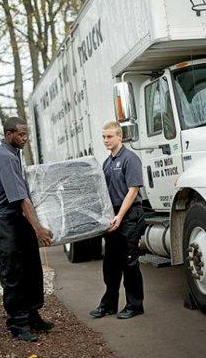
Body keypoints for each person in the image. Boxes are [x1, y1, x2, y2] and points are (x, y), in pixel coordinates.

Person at [0, 117, 53, 342]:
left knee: (32, 269)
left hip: (16, 220)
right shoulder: (5, 158)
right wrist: (39, 229)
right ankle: (17, 323)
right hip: (3, 223)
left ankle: (32, 316)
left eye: (26, 134)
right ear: (8, 134)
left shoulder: (14, 153)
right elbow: (21, 198)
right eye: (21, 135)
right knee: (13, 274)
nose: (25, 138)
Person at [90, 121, 146, 320]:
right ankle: (109, 305)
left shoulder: (130, 159)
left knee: (129, 262)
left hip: (129, 216)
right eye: (104, 137)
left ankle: (135, 305)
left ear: (120, 137)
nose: (106, 140)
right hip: (111, 217)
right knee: (110, 264)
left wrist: (120, 216)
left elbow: (133, 190)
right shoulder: (107, 163)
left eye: (110, 136)